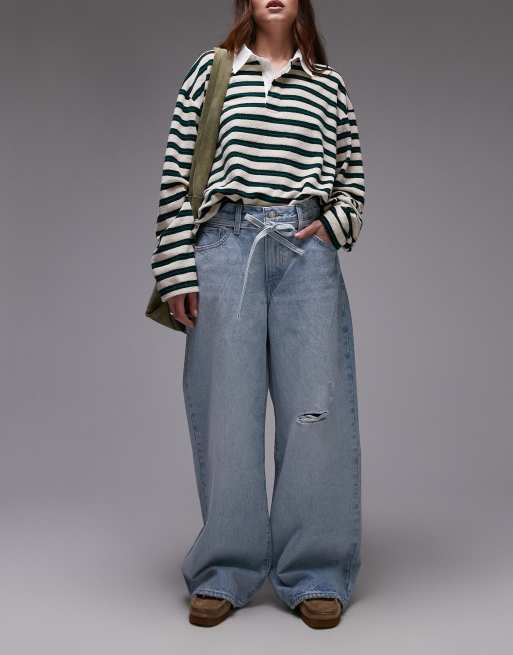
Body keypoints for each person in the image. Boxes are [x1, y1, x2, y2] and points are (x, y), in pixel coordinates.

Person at [150, 0, 365, 630]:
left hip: (305, 252)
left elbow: (352, 180)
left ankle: (316, 569)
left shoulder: (328, 85)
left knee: (315, 411)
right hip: (224, 246)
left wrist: (334, 224)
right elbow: (176, 175)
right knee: (226, 410)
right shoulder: (212, 71)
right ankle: (225, 567)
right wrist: (177, 268)